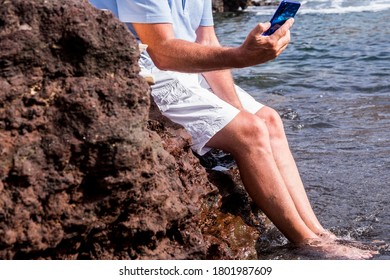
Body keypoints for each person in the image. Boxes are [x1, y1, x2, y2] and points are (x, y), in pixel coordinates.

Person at [89, 0, 376, 259]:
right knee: (249, 132)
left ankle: (319, 232)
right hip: (143, 73)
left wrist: (235, 109)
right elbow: (162, 51)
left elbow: (206, 41)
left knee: (269, 120)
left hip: (184, 68)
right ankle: (307, 243)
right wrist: (241, 57)